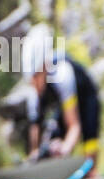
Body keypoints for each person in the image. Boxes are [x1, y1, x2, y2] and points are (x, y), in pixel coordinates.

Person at [21, 24, 99, 169]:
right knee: (52, 139)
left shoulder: (61, 74)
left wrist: (65, 149)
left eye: (37, 76)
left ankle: (91, 173)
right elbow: (35, 123)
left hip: (86, 97)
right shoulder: (33, 88)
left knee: (89, 143)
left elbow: (74, 125)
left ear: (45, 66)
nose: (35, 84)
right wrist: (34, 154)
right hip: (64, 101)